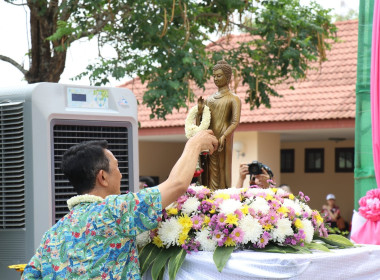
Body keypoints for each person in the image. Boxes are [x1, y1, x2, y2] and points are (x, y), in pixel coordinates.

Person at [21, 130, 218, 279]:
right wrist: (195, 144)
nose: (121, 174)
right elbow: (176, 185)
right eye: (117, 168)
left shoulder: (53, 234)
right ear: (103, 177)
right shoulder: (114, 211)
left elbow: (29, 275)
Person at [197, 60, 241, 190]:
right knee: (208, 169)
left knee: (221, 169)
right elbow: (204, 121)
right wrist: (200, 112)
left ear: (227, 77)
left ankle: (220, 196)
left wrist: (224, 135)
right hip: (210, 139)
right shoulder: (210, 99)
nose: (216, 78)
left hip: (223, 140)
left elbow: (234, 122)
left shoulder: (233, 98)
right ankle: (207, 195)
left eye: (219, 75)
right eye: (214, 76)